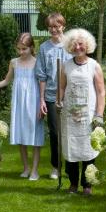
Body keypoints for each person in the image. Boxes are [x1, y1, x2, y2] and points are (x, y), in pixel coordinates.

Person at [0, 32, 44, 180]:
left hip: (33, 102)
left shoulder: (37, 62)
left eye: (24, 49)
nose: (21, 52)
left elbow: (41, 83)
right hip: (19, 103)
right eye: (18, 49)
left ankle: (35, 170)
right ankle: (26, 168)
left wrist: (42, 103)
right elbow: (6, 80)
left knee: (35, 136)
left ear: (31, 47)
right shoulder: (14, 62)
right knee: (21, 134)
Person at [57, 28, 106, 195]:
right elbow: (62, 87)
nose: (78, 47)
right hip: (70, 116)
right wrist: (59, 100)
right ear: (70, 46)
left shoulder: (94, 66)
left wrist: (99, 114)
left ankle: (87, 185)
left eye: (81, 44)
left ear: (87, 46)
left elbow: (101, 92)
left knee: (88, 150)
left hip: (88, 115)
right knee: (71, 150)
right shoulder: (66, 66)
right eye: (75, 44)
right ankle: (72, 184)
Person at [35, 13, 72, 180]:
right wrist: (42, 99)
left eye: (56, 26)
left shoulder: (71, 45)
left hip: (70, 95)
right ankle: (56, 167)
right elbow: (41, 75)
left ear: (63, 26)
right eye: (50, 27)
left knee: (71, 132)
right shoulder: (44, 48)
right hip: (51, 96)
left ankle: (72, 168)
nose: (54, 29)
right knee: (56, 133)